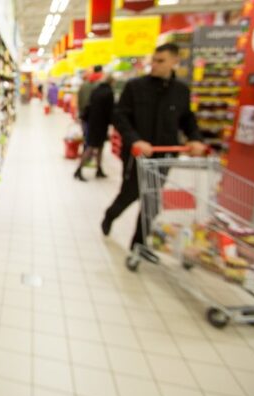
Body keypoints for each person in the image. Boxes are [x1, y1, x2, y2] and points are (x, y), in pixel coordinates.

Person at [102, 43, 205, 257]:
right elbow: (120, 116)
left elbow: (188, 120)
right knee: (130, 194)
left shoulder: (181, 91)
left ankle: (139, 245)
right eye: (154, 60)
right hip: (137, 156)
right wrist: (135, 140)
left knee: (151, 201)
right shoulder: (135, 87)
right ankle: (110, 215)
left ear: (174, 61)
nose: (155, 65)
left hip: (163, 156)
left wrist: (195, 139)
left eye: (161, 61)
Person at [74, 73, 115, 181]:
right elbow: (110, 110)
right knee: (92, 147)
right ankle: (79, 170)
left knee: (96, 146)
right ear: (112, 82)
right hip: (101, 124)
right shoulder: (109, 92)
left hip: (92, 122)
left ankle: (99, 169)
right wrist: (113, 122)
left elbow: (88, 104)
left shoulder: (96, 90)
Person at [77, 65, 103, 142]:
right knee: (95, 133)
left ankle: (86, 144)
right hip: (95, 112)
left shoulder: (84, 84)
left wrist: (80, 112)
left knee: (86, 131)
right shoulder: (100, 84)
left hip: (85, 111)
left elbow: (80, 99)